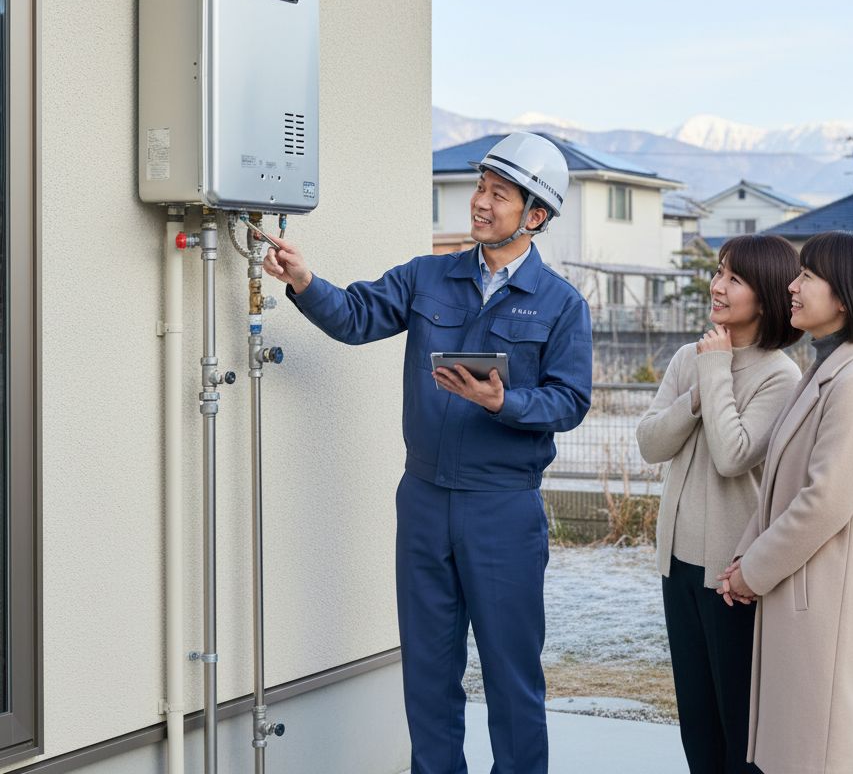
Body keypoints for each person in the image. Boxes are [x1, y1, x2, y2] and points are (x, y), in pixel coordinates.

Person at [261, 132, 592, 774]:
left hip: (503, 509)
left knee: (510, 680)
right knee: (427, 677)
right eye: (480, 188)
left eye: (499, 194)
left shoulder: (561, 305)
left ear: (536, 216)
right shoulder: (427, 275)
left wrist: (506, 403)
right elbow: (356, 317)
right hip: (423, 501)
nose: (480, 203)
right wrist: (304, 281)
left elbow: (571, 401)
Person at [717, 231, 853, 774]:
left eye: (807, 277)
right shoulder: (825, 368)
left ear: (843, 296)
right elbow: (781, 483)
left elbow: (822, 502)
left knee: (823, 752)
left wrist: (754, 568)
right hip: (806, 593)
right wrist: (745, 558)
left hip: (831, 601)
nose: (792, 288)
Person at [636, 233, 803, 774]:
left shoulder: (780, 374)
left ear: (768, 295)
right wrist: (698, 390)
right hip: (677, 564)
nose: (717, 286)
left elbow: (733, 455)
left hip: (733, 570)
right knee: (696, 720)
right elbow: (650, 442)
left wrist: (715, 373)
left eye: (734, 278)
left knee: (739, 723)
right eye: (718, 271)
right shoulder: (691, 357)